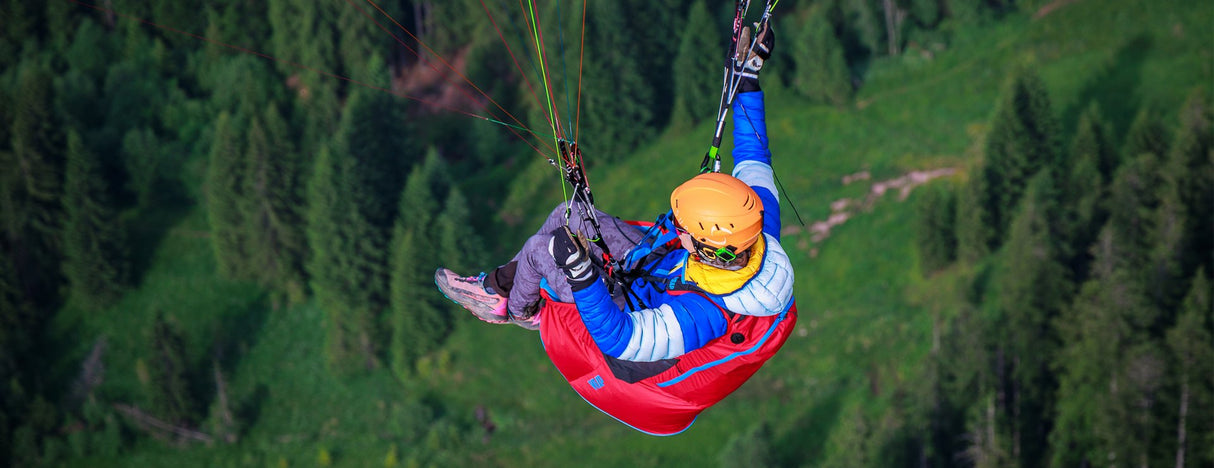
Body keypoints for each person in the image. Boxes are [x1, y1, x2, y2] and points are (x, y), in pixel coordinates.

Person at [436, 25, 791, 363]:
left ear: (707, 246)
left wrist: (580, 273)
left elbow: (621, 340)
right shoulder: (757, 226)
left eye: (684, 228)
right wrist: (748, 78)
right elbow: (753, 155)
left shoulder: (703, 314)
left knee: (538, 251)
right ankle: (499, 286)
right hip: (652, 269)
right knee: (567, 212)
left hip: (625, 305)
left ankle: (518, 310)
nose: (676, 227)